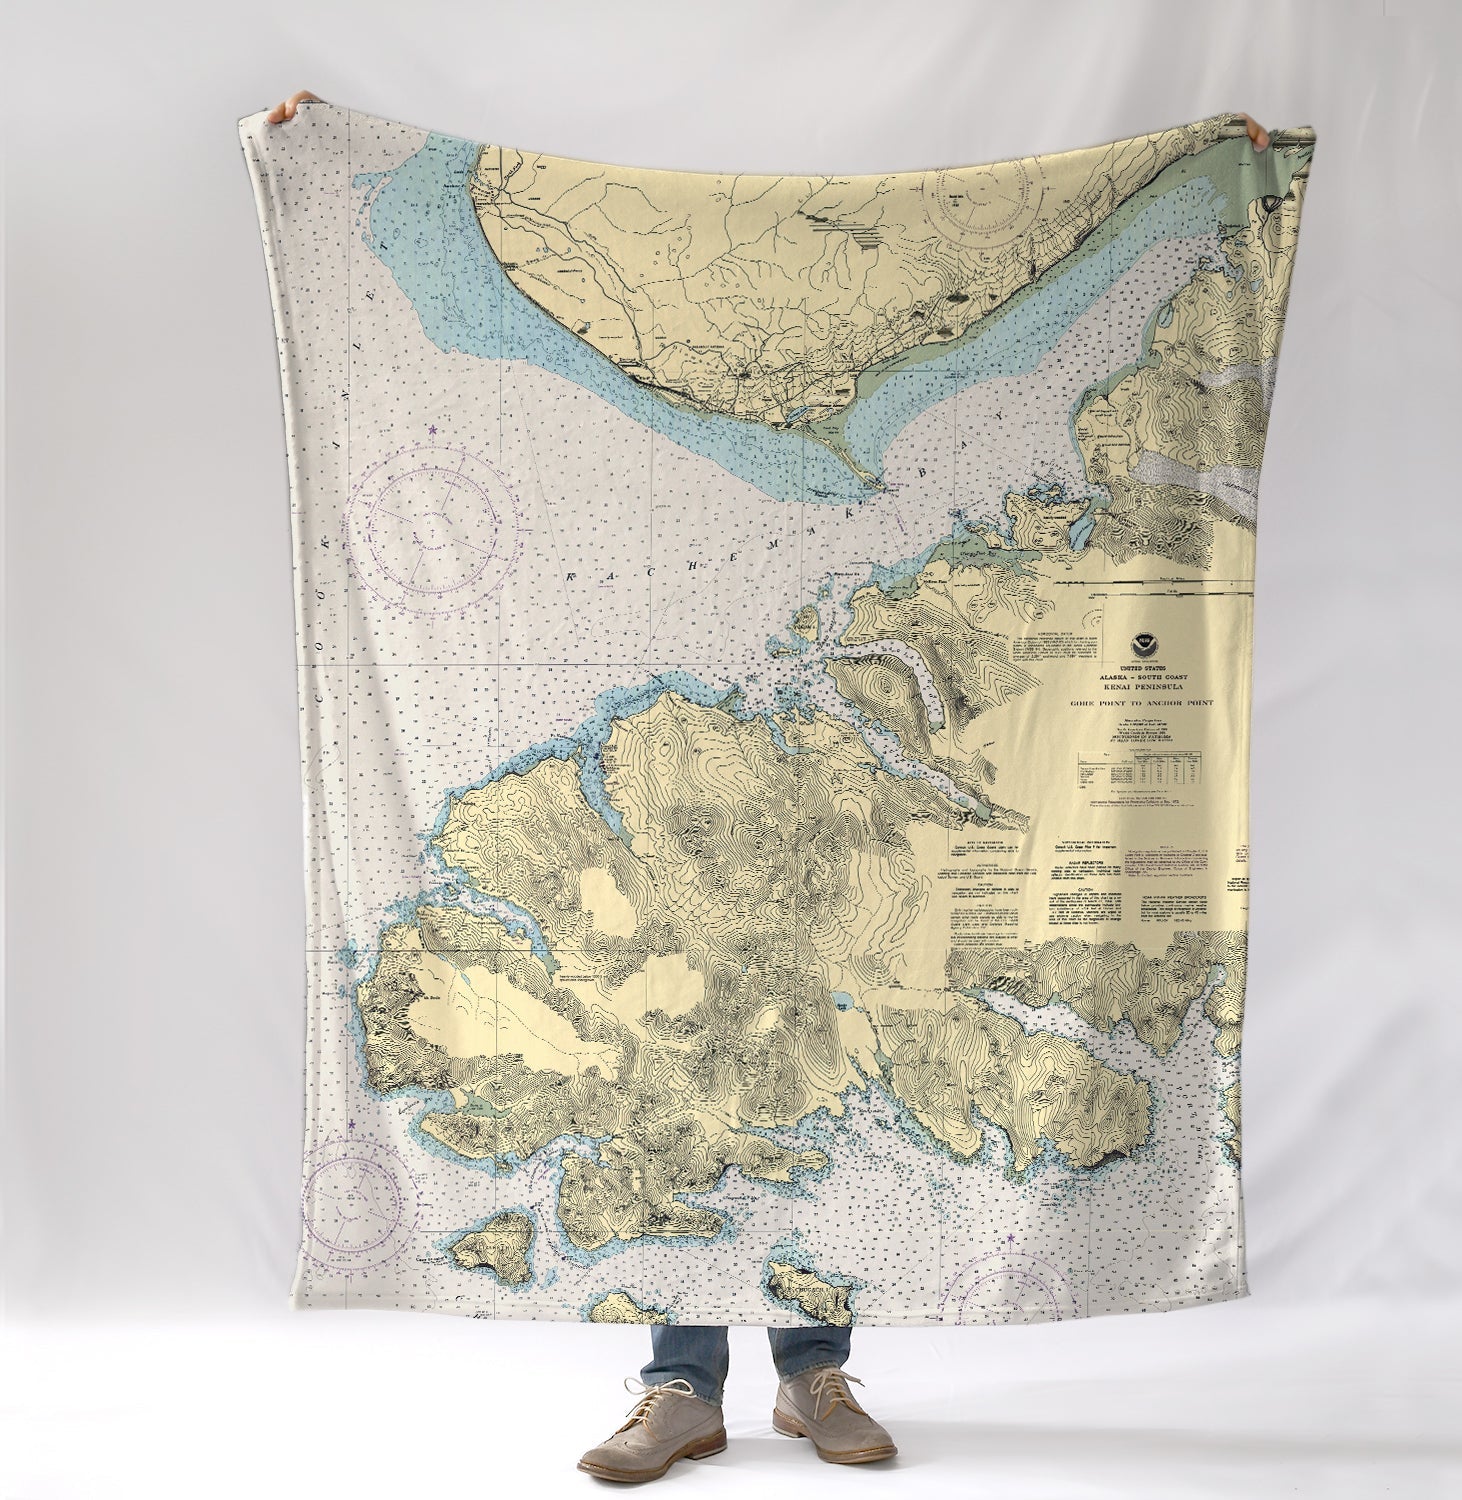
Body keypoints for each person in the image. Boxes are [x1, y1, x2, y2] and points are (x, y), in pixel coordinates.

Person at [265, 87, 1271, 1483]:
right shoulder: (650, 440)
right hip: (710, 712)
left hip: (824, 730)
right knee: (671, 1035)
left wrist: (1214, 172)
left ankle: (813, 1377)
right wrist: (320, 148)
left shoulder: (855, 428)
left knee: (828, 1007)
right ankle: (679, 1387)